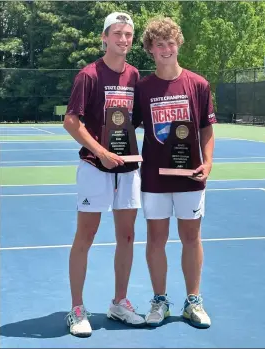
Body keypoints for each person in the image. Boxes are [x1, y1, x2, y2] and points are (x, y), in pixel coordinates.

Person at [63, 12, 145, 337]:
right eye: (117, 34)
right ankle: (77, 308)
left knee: (127, 236)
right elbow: (71, 121)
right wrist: (101, 152)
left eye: (128, 35)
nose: (123, 40)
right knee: (86, 236)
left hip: (128, 169)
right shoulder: (89, 76)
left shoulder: (135, 76)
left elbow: (135, 119)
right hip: (95, 168)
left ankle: (119, 302)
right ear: (104, 37)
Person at [132, 17, 217, 328]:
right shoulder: (142, 88)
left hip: (191, 177)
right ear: (150, 50)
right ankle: (160, 300)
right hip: (154, 177)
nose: (166, 49)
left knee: (191, 237)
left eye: (170, 42)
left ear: (178, 44)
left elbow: (207, 130)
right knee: (156, 238)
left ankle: (193, 301)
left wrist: (207, 164)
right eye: (159, 44)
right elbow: (128, 128)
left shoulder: (198, 84)